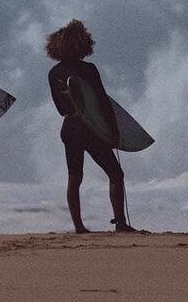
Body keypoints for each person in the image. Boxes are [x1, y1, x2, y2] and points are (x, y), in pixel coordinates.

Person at [46, 19, 136, 233]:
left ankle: (78, 226)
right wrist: (114, 131)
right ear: (80, 44)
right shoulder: (88, 69)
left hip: (69, 127)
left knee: (74, 176)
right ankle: (120, 223)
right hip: (91, 128)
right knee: (115, 174)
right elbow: (101, 103)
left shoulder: (53, 73)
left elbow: (60, 108)